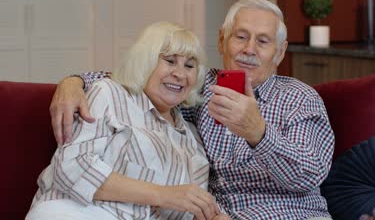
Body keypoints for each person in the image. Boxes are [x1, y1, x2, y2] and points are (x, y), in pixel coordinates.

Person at [49, 0, 335, 220]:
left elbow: (309, 176)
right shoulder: (197, 86)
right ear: (222, 40)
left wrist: (258, 132)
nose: (249, 49)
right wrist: (74, 82)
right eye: (240, 36)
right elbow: (140, 77)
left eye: (263, 41)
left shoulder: (299, 98)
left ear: (280, 52)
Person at [27, 22, 230, 220]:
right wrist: (163, 194)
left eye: (189, 66)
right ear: (145, 62)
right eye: (169, 61)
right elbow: (72, 168)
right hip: (76, 211)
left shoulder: (192, 141)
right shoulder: (109, 93)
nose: (179, 74)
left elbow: (187, 207)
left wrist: (212, 216)